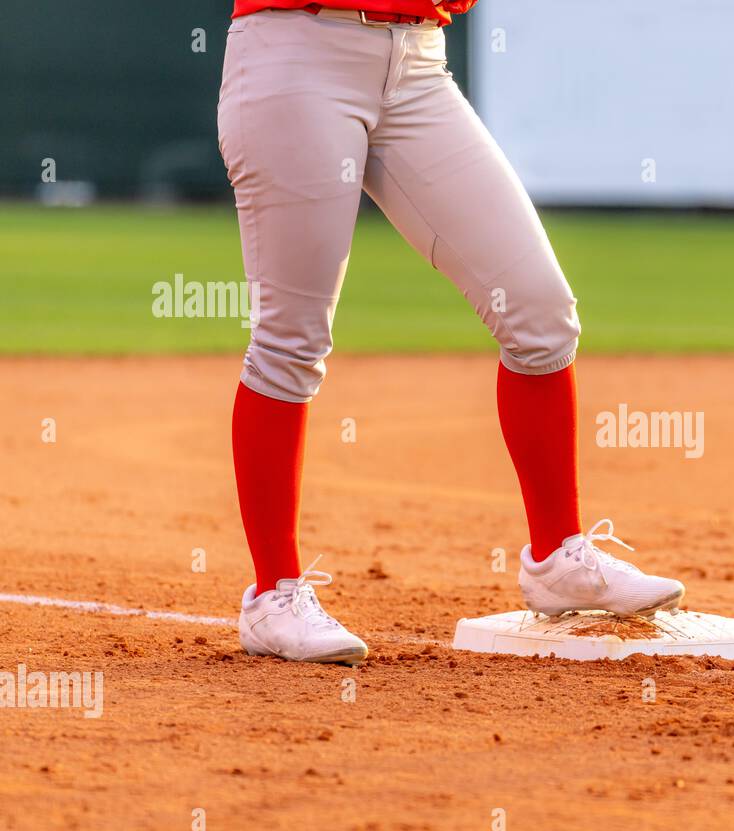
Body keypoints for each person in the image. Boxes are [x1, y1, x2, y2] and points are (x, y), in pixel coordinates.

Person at [218, 2, 684, 664]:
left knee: (539, 310)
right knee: (291, 339)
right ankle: (274, 596)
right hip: (297, 54)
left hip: (418, 63)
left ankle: (556, 558)